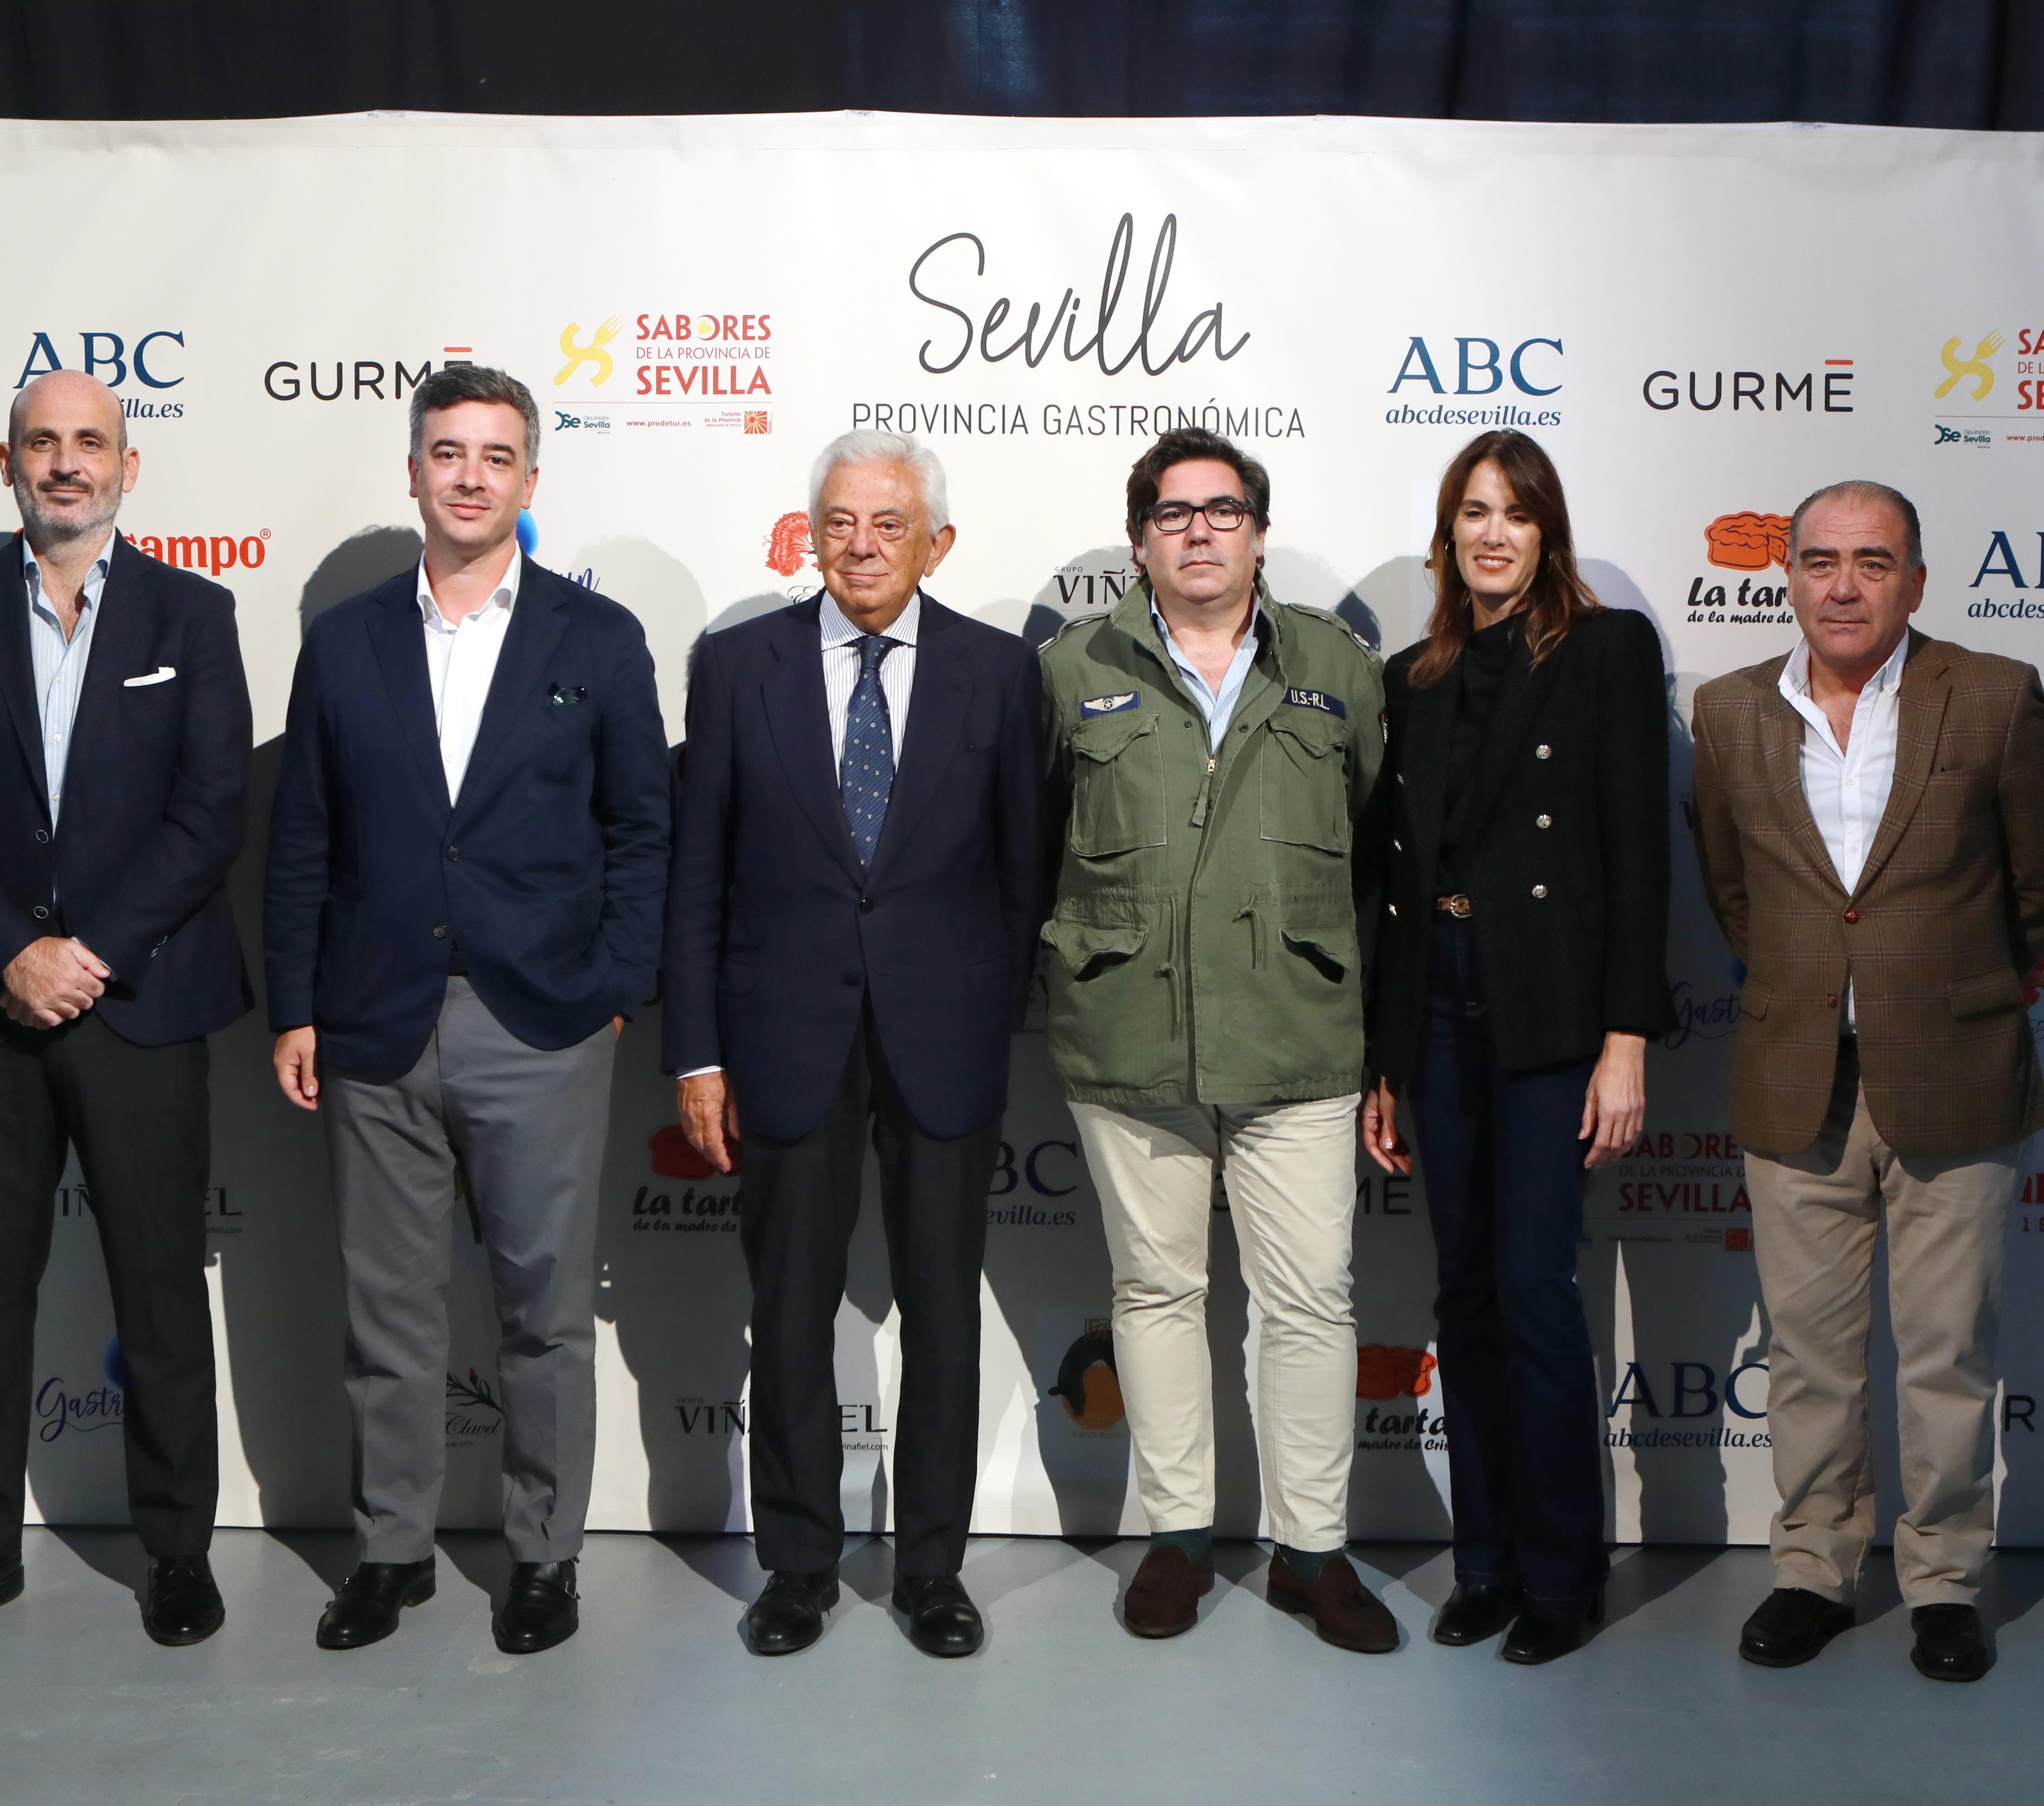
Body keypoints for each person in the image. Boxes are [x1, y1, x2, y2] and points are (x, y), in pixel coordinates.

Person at [265, 365, 669, 1658]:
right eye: (449, 452)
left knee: (544, 1310)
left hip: (541, 1023)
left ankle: (543, 1555)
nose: (471, 475)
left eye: (497, 456)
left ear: (531, 482)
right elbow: (303, 844)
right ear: (415, 470)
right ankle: (392, 1549)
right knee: (389, 1310)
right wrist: (295, 1008)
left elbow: (640, 832)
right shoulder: (345, 643)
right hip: (372, 1018)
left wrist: (611, 988)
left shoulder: (595, 642)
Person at [0, 370, 251, 1652]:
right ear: (7, 463)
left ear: (128, 467)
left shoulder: (194, 615)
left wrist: (85, 951)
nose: (67, 463)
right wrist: (14, 954)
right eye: (43, 442)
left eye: (91, 441)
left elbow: (210, 813)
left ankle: (178, 1552)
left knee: (157, 1287)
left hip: (136, 1000)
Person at [665, 432, 1045, 1660]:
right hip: (781, 1037)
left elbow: (1021, 873)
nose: (862, 545)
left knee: (942, 1312)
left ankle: (933, 1572)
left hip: (945, 1038)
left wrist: (989, 1010)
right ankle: (798, 1568)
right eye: (840, 521)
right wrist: (698, 1053)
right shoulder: (736, 667)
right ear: (810, 531)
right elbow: (698, 879)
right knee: (786, 1311)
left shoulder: (999, 673)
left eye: (889, 524)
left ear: (935, 540)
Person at [1688, 479, 2044, 1685]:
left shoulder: (1996, 697)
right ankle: (1812, 1569)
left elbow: (2039, 884)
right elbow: (1735, 894)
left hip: (1956, 1067)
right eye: (1819, 561)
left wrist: (1957, 990)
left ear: (1915, 578)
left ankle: (1946, 1582)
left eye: (1872, 561)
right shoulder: (1730, 711)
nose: (1843, 585)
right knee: (1808, 1357)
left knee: (1950, 1352)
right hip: (1796, 1072)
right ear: (1787, 576)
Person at [1038, 428, 1397, 1652]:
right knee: (1156, 1288)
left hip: (1296, 1032)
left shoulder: (1337, 668)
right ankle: (1179, 1536)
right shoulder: (1072, 666)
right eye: (1174, 512)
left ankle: (1313, 1553)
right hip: (1127, 1030)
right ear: (1141, 538)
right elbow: (1035, 834)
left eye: (1224, 509)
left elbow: (1370, 837)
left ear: (1257, 531)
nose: (1200, 530)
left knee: (1311, 1301)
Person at [1360, 430, 1672, 1667]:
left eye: (1517, 513)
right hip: (1434, 1002)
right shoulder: (1414, 678)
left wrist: (1626, 1039)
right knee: (1466, 1293)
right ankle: (1483, 1562)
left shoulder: (1606, 652)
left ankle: (1559, 1575)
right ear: (1450, 535)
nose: (1494, 533)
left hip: (1550, 1011)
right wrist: (1386, 1058)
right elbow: (1395, 881)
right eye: (1474, 512)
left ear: (1550, 534)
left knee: (1538, 1292)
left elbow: (1640, 858)